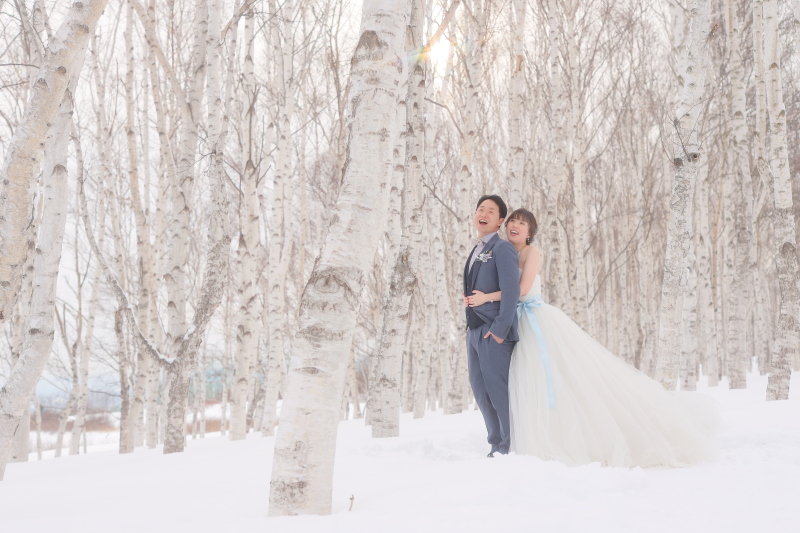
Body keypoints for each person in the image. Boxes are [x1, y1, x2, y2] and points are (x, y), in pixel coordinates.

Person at [467, 208, 718, 467]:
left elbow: (521, 290)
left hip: (535, 321)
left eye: (523, 223)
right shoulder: (502, 252)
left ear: (530, 232)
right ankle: (528, 435)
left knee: (558, 377)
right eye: (513, 222)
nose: (516, 226)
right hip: (514, 322)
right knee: (526, 383)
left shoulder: (532, 253)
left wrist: (486, 298)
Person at [462, 195, 521, 457]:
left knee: (498, 392)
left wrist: (499, 331)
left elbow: (512, 292)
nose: (483, 213)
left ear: (500, 221)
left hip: (493, 331)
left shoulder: (502, 248)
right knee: (481, 391)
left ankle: (509, 446)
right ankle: (495, 443)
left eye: (490, 211)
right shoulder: (476, 248)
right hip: (474, 332)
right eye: (480, 209)